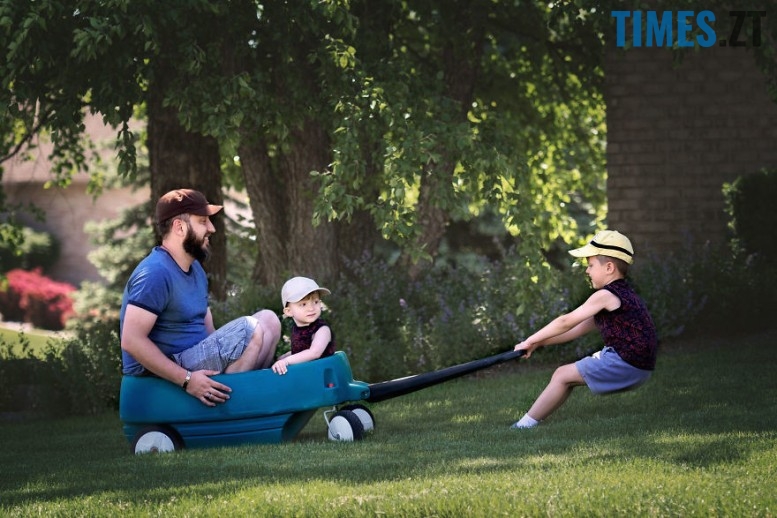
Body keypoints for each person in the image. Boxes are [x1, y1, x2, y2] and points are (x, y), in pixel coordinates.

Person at [120, 188, 281, 407]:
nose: (212, 228)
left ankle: (247, 398)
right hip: (164, 374)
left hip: (194, 358)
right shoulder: (154, 273)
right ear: (179, 227)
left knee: (269, 320)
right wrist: (187, 380)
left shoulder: (196, 269)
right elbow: (131, 340)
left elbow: (209, 332)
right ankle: (234, 410)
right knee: (249, 329)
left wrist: (231, 356)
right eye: (203, 221)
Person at [511, 230, 658, 429]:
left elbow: (566, 322)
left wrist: (529, 339)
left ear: (609, 267)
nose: (587, 271)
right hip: (639, 366)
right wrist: (538, 343)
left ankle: (522, 427)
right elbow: (576, 329)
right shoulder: (624, 295)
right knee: (565, 377)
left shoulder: (605, 296)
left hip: (627, 363)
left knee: (562, 375)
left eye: (590, 265)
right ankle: (528, 423)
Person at [271, 276, 336, 375]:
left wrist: (286, 361)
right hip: (308, 374)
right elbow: (301, 351)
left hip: (325, 376)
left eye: (315, 302)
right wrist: (284, 357)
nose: (311, 308)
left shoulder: (322, 329)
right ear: (289, 312)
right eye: (303, 304)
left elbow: (314, 352)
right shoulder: (297, 329)